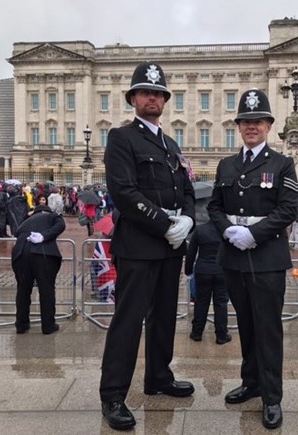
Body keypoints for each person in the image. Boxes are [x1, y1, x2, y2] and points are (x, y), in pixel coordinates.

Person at [100, 61, 196, 431]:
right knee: (129, 321)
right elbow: (124, 193)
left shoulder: (171, 144)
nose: (153, 98)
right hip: (140, 244)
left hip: (171, 245)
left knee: (163, 318)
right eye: (146, 92)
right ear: (134, 99)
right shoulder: (122, 139)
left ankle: (158, 376)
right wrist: (165, 223)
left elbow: (188, 188)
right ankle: (112, 394)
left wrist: (187, 219)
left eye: (158, 93)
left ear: (165, 100)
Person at [208, 88, 298, 430]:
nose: (251, 127)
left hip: (267, 259)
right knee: (245, 324)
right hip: (233, 257)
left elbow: (289, 209)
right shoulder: (226, 165)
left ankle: (272, 396)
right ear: (239, 126)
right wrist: (228, 231)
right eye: (245, 121)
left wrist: (254, 234)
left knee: (268, 328)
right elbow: (214, 207)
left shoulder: (282, 164)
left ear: (268, 125)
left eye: (257, 121)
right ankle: (251, 382)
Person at [11, 204, 66, 334]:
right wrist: (44, 235)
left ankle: (21, 324)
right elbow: (61, 225)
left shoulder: (26, 221)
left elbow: (16, 232)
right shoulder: (52, 216)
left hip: (20, 253)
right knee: (46, 289)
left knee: (23, 289)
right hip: (42, 253)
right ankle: (48, 325)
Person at [184, 220, 231, 344]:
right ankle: (221, 335)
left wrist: (188, 270)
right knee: (221, 302)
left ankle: (197, 332)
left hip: (203, 270)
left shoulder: (200, 230)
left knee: (201, 302)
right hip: (222, 270)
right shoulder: (227, 229)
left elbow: (191, 252)